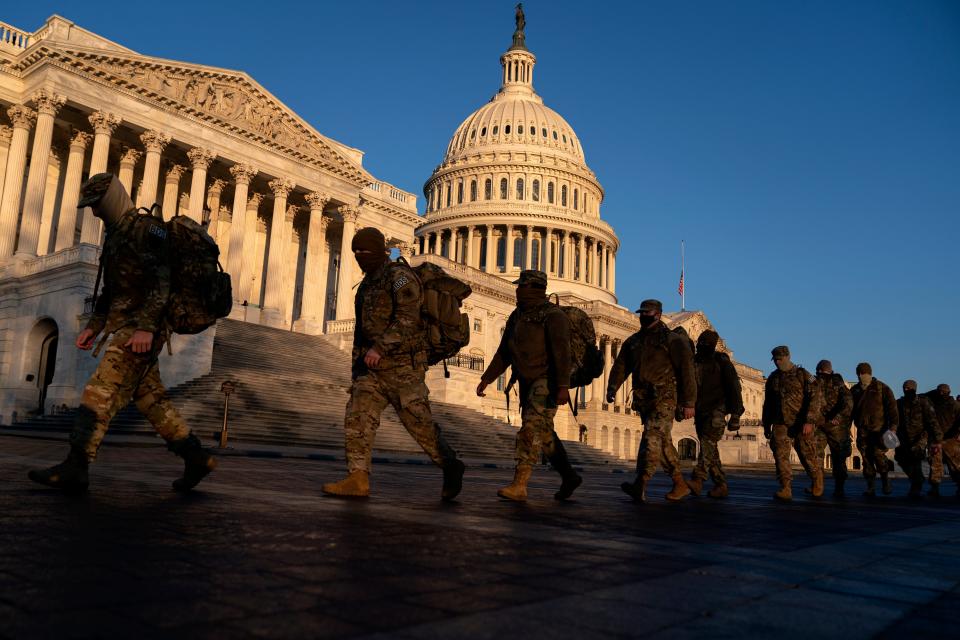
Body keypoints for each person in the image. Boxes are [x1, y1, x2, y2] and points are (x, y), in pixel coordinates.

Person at [28, 173, 216, 492]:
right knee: (152, 402)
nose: (94, 212)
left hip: (140, 330)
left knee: (97, 394)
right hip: (125, 325)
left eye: (97, 205)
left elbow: (162, 281)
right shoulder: (116, 234)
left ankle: (77, 465)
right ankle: (195, 457)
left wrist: (146, 328)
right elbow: (111, 288)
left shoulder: (146, 230)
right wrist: (95, 325)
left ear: (111, 199)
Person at [322, 228, 464, 500]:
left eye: (364, 251)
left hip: (402, 368)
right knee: (358, 416)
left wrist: (381, 346)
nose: (360, 256)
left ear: (379, 250)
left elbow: (408, 317)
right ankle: (358, 477)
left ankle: (450, 464)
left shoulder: (399, 277)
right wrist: (358, 366)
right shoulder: (367, 283)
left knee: (419, 425)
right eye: (356, 252)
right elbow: (362, 331)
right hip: (371, 370)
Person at [477, 270, 581, 502]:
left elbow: (562, 353)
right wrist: (487, 378)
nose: (517, 290)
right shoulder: (518, 316)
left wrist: (563, 385)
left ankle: (520, 483)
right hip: (527, 381)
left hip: (547, 381)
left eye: (521, 286)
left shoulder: (553, 316)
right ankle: (569, 475)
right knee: (544, 433)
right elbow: (505, 351)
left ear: (534, 288)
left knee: (530, 429)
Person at [609, 299, 696, 502]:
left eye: (647, 313)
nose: (642, 317)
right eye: (641, 313)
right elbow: (621, 365)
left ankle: (641, 483)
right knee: (662, 442)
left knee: (652, 438)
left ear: (657, 314)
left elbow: (687, 373)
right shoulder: (634, 341)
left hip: (665, 398)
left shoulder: (673, 340)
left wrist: (689, 402)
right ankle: (680, 483)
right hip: (644, 399)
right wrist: (612, 387)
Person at [685, 330, 743, 499]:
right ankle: (721, 484)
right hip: (701, 410)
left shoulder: (721, 361)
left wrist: (736, 414)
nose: (701, 346)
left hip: (718, 409)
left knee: (708, 444)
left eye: (705, 343)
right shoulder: (695, 361)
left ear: (712, 345)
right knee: (710, 449)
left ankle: (698, 479)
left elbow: (734, 388)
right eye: (699, 343)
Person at [761, 346, 821, 502]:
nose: (778, 363)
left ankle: (816, 481)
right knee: (780, 455)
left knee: (806, 454)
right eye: (775, 360)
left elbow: (815, 398)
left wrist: (809, 420)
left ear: (788, 357)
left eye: (780, 359)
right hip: (780, 422)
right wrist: (766, 424)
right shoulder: (773, 378)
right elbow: (767, 403)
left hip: (800, 422)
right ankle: (785, 487)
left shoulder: (803, 375)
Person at [850, 362, 899, 497]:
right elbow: (849, 411)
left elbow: (892, 409)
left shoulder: (882, 388)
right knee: (866, 459)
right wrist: (847, 428)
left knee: (878, 456)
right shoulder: (854, 391)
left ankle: (885, 479)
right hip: (862, 431)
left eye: (864, 374)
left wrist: (893, 428)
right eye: (860, 374)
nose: (861, 376)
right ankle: (870, 486)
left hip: (879, 431)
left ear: (869, 374)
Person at [812, 360, 854, 497]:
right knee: (821, 455)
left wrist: (838, 417)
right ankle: (821, 485)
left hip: (834, 425)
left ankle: (832, 487)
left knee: (836, 457)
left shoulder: (837, 382)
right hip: (825, 424)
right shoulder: (817, 382)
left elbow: (847, 402)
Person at [894, 380, 941, 499]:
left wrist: (937, 439)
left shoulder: (923, 402)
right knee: (900, 458)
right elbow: (893, 418)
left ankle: (916, 486)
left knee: (915, 459)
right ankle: (917, 479)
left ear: (915, 389)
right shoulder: (900, 403)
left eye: (909, 388)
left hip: (920, 436)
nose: (906, 390)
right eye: (905, 388)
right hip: (903, 437)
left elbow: (932, 421)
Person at [923, 384, 958, 496]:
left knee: (955, 464)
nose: (942, 394)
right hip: (935, 439)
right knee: (935, 464)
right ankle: (935, 487)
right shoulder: (933, 401)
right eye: (940, 392)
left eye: (944, 392)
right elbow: (922, 396)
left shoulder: (955, 405)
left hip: (950, 439)